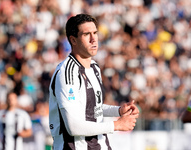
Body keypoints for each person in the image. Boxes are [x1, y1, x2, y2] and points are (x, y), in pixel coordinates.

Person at [49, 14, 139, 150]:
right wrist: (116, 125)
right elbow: (73, 126)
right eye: (86, 34)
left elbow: (91, 108)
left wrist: (119, 111)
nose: (93, 39)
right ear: (73, 40)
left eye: (95, 33)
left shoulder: (94, 67)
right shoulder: (67, 73)